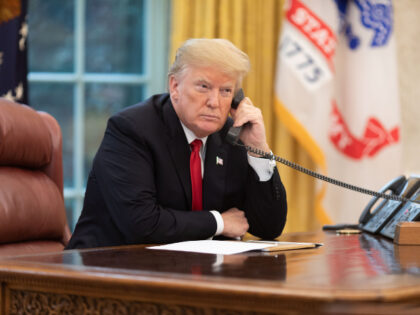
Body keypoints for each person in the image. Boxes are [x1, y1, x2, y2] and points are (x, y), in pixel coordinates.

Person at [66, 38, 287, 249]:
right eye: (203, 86)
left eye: (225, 91)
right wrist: (219, 222)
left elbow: (268, 227)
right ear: (175, 86)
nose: (214, 102)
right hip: (103, 268)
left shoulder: (232, 136)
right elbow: (142, 224)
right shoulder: (132, 130)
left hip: (189, 271)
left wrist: (259, 150)